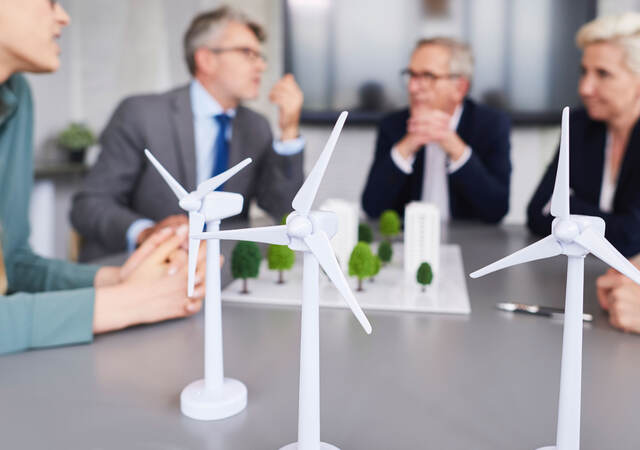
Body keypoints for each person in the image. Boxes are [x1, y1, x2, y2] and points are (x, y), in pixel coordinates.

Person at [0, 0, 206, 355]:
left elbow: (12, 263)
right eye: (49, 2)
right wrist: (129, 303)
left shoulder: (16, 98)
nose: (63, 16)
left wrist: (119, 278)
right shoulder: (141, 114)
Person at [70, 6, 305, 262]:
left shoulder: (256, 126)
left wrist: (289, 131)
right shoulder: (141, 114)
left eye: (261, 57)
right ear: (206, 60)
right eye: (248, 53)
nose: (260, 65)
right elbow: (89, 205)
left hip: (219, 275)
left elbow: (285, 211)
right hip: (145, 268)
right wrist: (147, 232)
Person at [361, 37, 511, 222]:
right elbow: (372, 207)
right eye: (411, 75)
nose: (413, 87)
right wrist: (407, 145)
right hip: (409, 242)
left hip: (471, 244)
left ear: (460, 88)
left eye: (428, 76)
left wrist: (455, 147)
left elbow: (497, 209)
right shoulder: (393, 125)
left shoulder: (491, 124)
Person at [528, 12, 640, 257]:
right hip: (571, 274)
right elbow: (537, 212)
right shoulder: (579, 125)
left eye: (603, 74)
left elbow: (632, 237)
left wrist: (572, 211)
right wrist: (612, 223)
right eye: (584, 72)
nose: (585, 88)